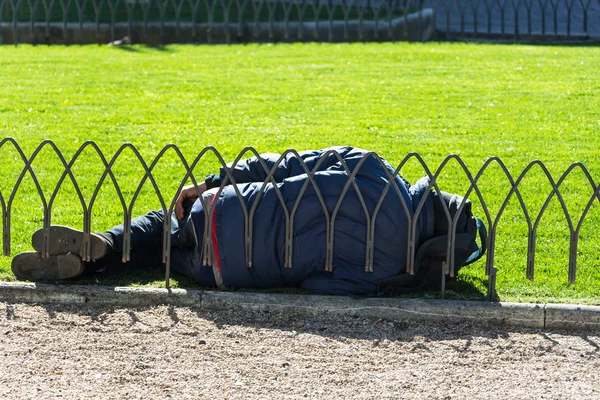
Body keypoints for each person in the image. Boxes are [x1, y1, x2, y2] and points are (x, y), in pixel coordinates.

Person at [11, 146, 479, 296]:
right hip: (234, 273)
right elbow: (319, 287)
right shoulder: (392, 269)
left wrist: (209, 182)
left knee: (164, 225)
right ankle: (97, 260)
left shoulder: (376, 170)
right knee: (173, 255)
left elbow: (284, 164)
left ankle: (104, 247)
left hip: (230, 209)